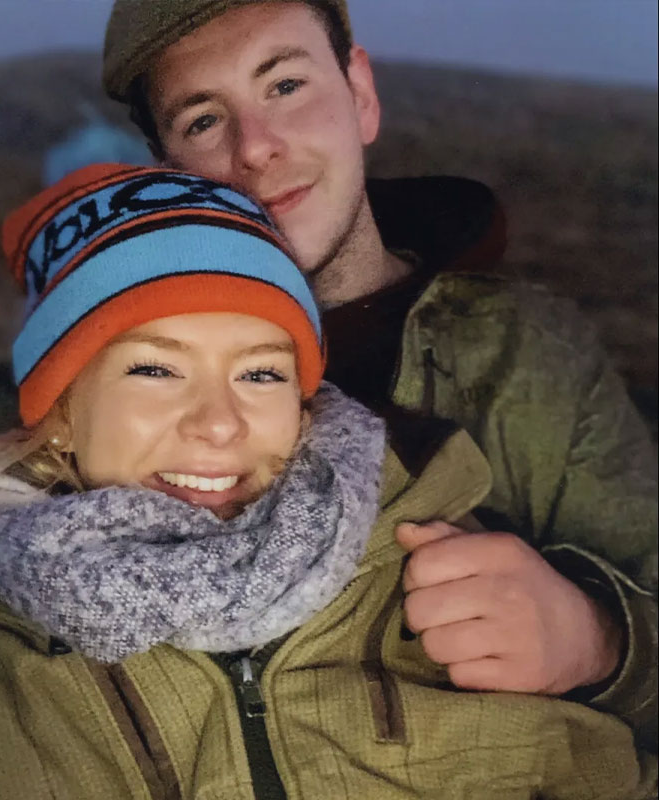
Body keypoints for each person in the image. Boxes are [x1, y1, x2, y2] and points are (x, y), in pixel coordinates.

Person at [0, 164, 655, 800]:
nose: (220, 423)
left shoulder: (443, 562)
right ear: (60, 415)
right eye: (155, 369)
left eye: (260, 373)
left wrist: (603, 643)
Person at [100, 0, 657, 746]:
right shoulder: (113, 383)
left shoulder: (531, 352)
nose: (257, 148)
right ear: (169, 170)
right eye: (203, 120)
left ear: (360, 94)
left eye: (286, 85)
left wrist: (598, 640)